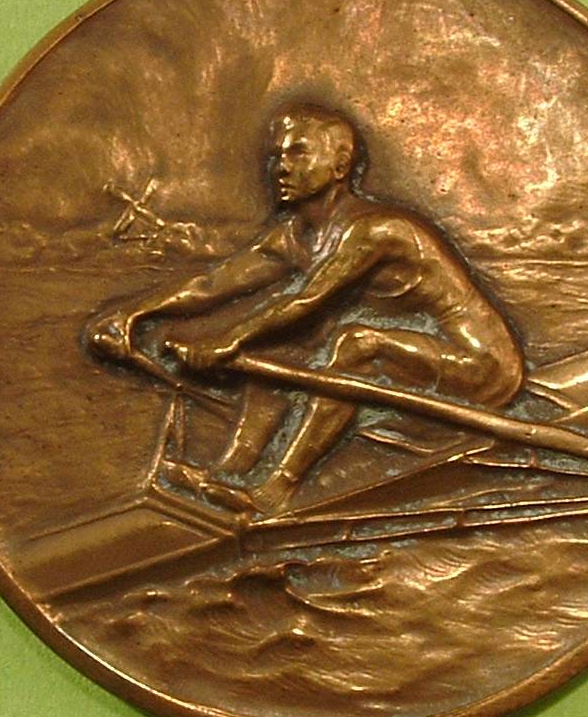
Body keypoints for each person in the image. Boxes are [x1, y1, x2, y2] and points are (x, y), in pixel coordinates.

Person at [89, 104, 523, 513]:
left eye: (298, 153)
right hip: (418, 358)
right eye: (277, 155)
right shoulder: (295, 234)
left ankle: (276, 490)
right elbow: (214, 283)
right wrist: (135, 314)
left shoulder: (376, 231)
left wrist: (228, 340)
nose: (280, 167)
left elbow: (305, 299)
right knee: (280, 350)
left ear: (339, 166)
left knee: (357, 343)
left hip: (481, 366)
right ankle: (229, 472)